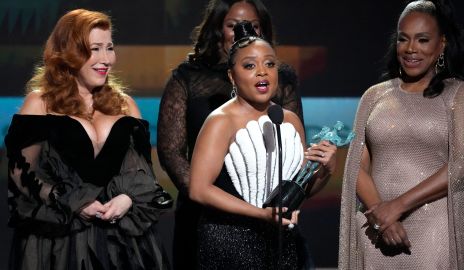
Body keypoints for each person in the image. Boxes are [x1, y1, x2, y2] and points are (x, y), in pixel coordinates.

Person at [5, 9, 172, 270]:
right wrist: (72, 200)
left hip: (122, 242)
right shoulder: (40, 102)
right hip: (61, 242)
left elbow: (144, 173)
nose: (106, 59)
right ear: (68, 52)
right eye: (94, 49)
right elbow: (20, 173)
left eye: (109, 47)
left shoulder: (125, 105)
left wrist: (127, 198)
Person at [156, 1, 303, 269]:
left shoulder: (284, 105)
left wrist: (322, 170)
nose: (243, 31)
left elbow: (295, 165)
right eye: (232, 25)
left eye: (269, 64)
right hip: (216, 223)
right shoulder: (192, 82)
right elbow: (171, 152)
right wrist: (212, 198)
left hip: (276, 229)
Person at [338, 0, 464, 269]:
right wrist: (382, 213)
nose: (411, 49)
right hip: (375, 228)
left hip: (433, 230)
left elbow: (462, 164)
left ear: (442, 44)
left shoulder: (462, 95)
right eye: (404, 39)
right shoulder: (374, 96)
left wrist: (397, 207)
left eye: (423, 40)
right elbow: (356, 163)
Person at [188, 21, 337, 269]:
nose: (262, 72)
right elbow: (198, 189)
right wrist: (262, 214)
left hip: (281, 244)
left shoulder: (288, 119)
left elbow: (299, 191)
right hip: (230, 244)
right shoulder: (221, 121)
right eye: (249, 65)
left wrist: (326, 170)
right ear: (231, 75)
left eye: (269, 64)